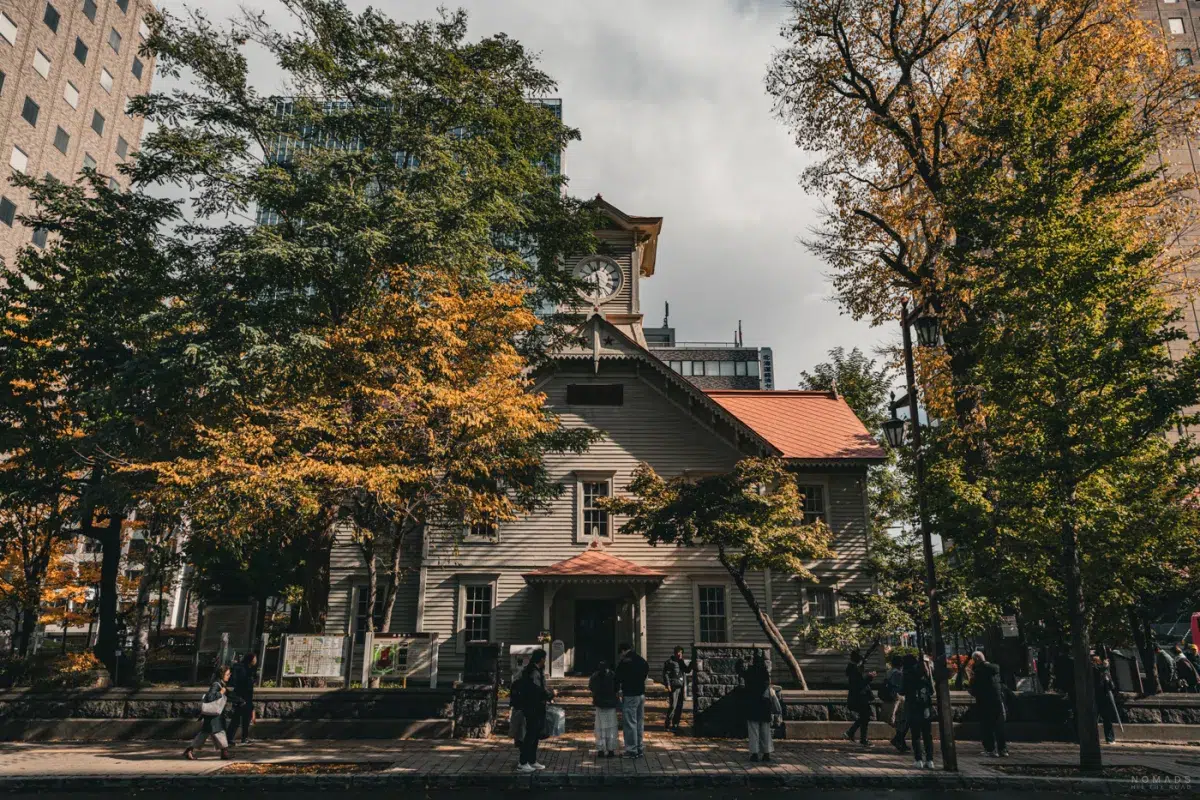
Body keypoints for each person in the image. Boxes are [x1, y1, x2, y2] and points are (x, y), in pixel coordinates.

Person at [511, 648, 554, 772]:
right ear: (541, 659)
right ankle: (523, 762)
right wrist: (551, 694)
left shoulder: (535, 670)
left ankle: (532, 760)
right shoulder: (533, 672)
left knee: (535, 735)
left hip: (536, 706)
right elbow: (537, 690)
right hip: (532, 707)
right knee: (530, 735)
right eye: (544, 658)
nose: (545, 661)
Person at [184, 666, 233, 760]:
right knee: (219, 732)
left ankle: (189, 750)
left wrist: (240, 700)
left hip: (214, 715)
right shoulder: (216, 685)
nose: (229, 676)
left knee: (206, 733)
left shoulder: (221, 684)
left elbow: (229, 695)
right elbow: (210, 697)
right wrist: (220, 693)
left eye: (229, 674)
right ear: (222, 674)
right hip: (213, 715)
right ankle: (224, 753)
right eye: (227, 674)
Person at [969, 651, 1008, 757]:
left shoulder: (978, 671)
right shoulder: (995, 669)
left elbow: (974, 688)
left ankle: (990, 749)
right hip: (997, 701)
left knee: (986, 727)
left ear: (976, 659)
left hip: (984, 702)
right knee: (999, 726)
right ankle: (1003, 749)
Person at [738, 651, 775, 762]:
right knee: (765, 730)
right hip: (764, 705)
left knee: (753, 730)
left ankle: (754, 753)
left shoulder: (750, 671)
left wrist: (741, 660)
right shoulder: (765, 674)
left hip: (752, 704)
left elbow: (740, 672)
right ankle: (766, 753)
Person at [615, 642, 649, 758]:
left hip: (630, 694)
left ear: (623, 651)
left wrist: (618, 689)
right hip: (641, 694)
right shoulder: (641, 660)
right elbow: (646, 671)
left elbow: (618, 677)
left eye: (620, 653)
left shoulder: (625, 662)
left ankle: (631, 750)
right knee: (639, 722)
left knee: (630, 722)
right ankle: (639, 748)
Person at [903, 653, 935, 769]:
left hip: (913, 706)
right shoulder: (926, 672)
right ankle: (930, 760)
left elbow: (902, 690)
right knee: (927, 735)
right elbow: (932, 691)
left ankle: (918, 759)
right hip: (926, 707)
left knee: (916, 735)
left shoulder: (907, 673)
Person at [842, 649, 875, 747]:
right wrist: (869, 678)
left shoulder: (853, 668)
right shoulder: (854, 670)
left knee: (864, 717)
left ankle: (852, 733)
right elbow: (859, 685)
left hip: (858, 697)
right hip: (860, 698)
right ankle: (860, 737)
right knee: (865, 716)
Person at [589, 660, 619, 758]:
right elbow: (617, 688)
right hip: (610, 704)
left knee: (600, 728)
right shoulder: (612, 675)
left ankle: (601, 749)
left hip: (600, 704)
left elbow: (591, 687)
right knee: (611, 727)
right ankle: (611, 750)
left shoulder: (595, 676)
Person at [229, 651, 258, 744]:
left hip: (245, 697)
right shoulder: (244, 670)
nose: (256, 660)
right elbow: (243, 684)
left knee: (244, 719)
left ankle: (243, 737)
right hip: (243, 697)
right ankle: (230, 738)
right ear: (250, 660)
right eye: (254, 658)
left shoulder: (247, 669)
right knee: (237, 719)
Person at [662, 646, 692, 732]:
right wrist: (668, 685)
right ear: (675, 653)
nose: (680, 654)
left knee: (679, 706)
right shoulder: (669, 662)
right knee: (673, 706)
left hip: (681, 686)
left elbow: (687, 670)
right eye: (678, 652)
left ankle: (675, 724)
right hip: (674, 687)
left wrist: (691, 664)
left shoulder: (681, 662)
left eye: (681, 653)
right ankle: (667, 724)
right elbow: (665, 674)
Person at [883, 654, 907, 753]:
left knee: (899, 722)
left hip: (890, 698)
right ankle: (898, 740)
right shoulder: (898, 674)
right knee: (903, 721)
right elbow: (899, 688)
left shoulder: (889, 672)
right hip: (898, 699)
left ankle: (902, 743)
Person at [1093, 654, 1118, 744]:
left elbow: (1111, 685)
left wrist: (1107, 678)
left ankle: (1110, 738)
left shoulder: (1104, 673)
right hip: (1096, 697)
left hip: (1104, 697)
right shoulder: (1095, 671)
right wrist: (1105, 668)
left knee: (1107, 718)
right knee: (1094, 719)